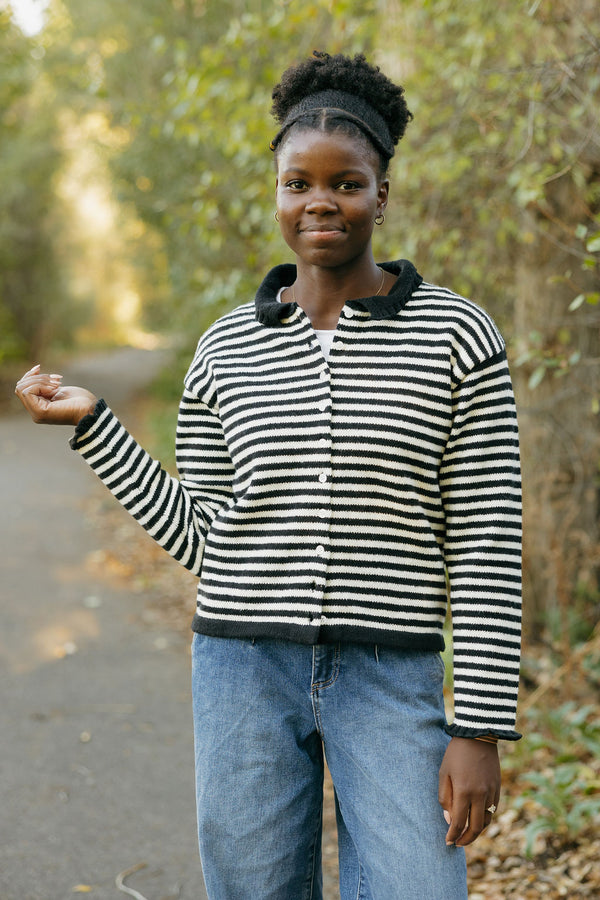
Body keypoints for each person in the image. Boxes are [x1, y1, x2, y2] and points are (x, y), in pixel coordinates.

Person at [16, 50, 522, 900]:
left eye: (347, 182)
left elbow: (486, 542)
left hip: (391, 674)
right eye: (299, 183)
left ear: (382, 195)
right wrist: (98, 426)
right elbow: (205, 537)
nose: (321, 201)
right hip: (242, 671)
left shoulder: (456, 336)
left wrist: (478, 728)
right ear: (278, 194)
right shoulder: (225, 349)